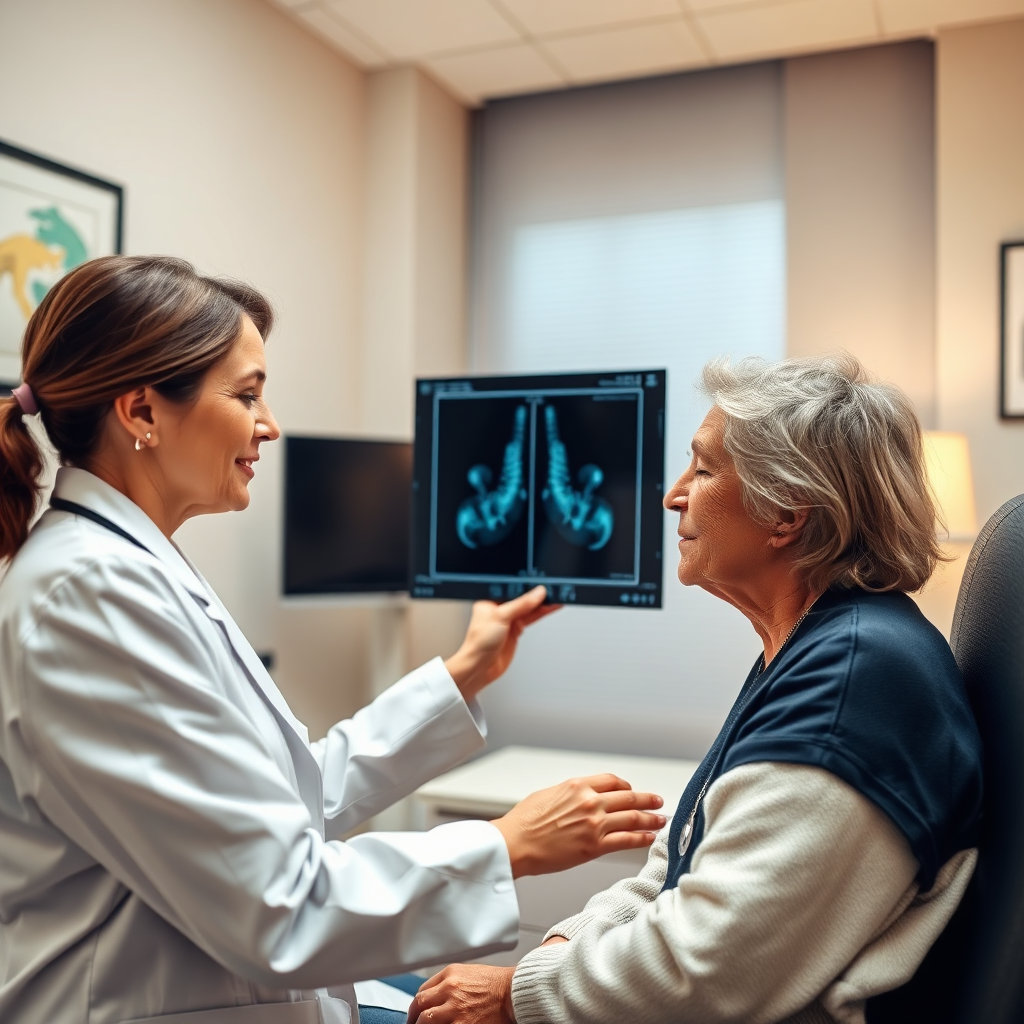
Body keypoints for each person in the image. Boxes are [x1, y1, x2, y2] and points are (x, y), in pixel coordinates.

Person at [0, 255, 667, 1024]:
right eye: (248, 394)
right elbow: (276, 905)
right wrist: (505, 845)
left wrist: (460, 674)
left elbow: (284, 802)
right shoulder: (87, 597)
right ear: (142, 412)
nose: (270, 424)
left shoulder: (127, 570)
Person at [408, 354, 984, 1024]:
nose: (673, 494)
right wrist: (560, 949)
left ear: (786, 513)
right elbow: (675, 866)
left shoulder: (853, 684)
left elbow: (705, 966)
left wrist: (516, 996)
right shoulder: (811, 649)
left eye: (704, 469)